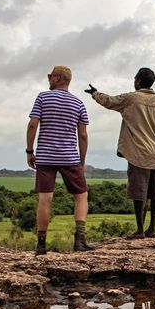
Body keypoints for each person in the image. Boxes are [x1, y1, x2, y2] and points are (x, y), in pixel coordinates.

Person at [85, 67, 155, 238]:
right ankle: (152, 229)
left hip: (138, 154)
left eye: (135, 79)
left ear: (138, 81)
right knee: (154, 194)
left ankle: (140, 230)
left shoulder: (131, 99)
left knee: (139, 192)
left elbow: (110, 101)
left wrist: (95, 93)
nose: (134, 81)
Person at [26, 65, 93, 255]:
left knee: (45, 198)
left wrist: (30, 150)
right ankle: (79, 241)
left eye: (50, 76)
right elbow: (83, 135)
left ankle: (41, 245)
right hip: (70, 157)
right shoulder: (78, 103)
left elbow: (32, 125)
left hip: (46, 156)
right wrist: (81, 160)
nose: (48, 78)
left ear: (58, 78)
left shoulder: (42, 98)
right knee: (81, 196)